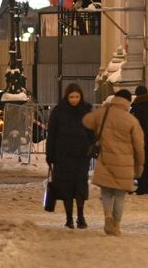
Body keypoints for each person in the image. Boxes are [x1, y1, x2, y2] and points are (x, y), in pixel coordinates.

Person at [82, 88, 144, 236]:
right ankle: (116, 224)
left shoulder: (104, 113)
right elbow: (139, 146)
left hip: (106, 159)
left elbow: (86, 121)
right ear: (128, 102)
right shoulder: (131, 120)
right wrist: (139, 165)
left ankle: (107, 216)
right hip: (125, 162)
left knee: (107, 192)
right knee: (120, 195)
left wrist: (103, 111)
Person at [46, 83, 94, 228]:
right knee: (66, 187)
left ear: (81, 97)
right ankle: (69, 219)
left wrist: (90, 148)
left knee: (79, 185)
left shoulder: (87, 110)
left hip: (81, 155)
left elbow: (92, 132)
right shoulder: (58, 111)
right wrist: (50, 155)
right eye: (71, 97)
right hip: (63, 156)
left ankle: (80, 216)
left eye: (77, 97)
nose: (74, 100)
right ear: (67, 97)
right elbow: (52, 134)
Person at [131, 86, 148, 195]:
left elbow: (136, 122)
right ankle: (146, 186)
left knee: (140, 163)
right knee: (146, 163)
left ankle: (142, 186)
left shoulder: (139, 106)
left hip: (139, 139)